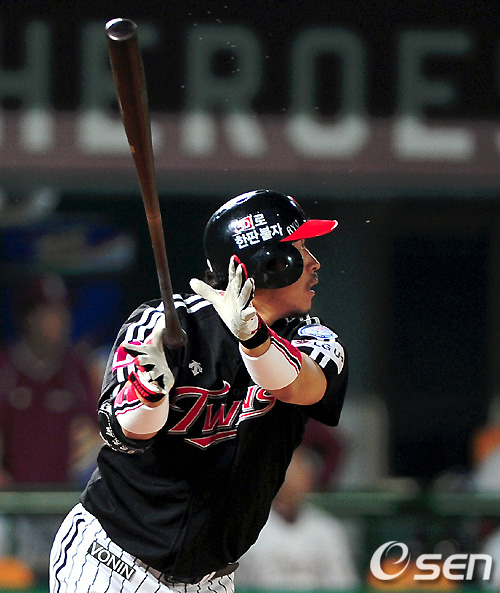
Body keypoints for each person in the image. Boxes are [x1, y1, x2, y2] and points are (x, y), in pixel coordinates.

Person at [49, 189, 349, 593]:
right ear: (267, 265)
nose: (314, 262)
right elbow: (124, 434)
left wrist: (254, 338)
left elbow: (298, 386)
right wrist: (149, 393)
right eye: (299, 249)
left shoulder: (312, 337)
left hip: (211, 580)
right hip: (112, 563)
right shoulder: (167, 325)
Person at [236, 440, 359, 591]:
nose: (291, 481)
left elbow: (342, 585)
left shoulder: (327, 528)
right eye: (286, 473)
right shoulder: (246, 527)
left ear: (309, 480)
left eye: (299, 472)